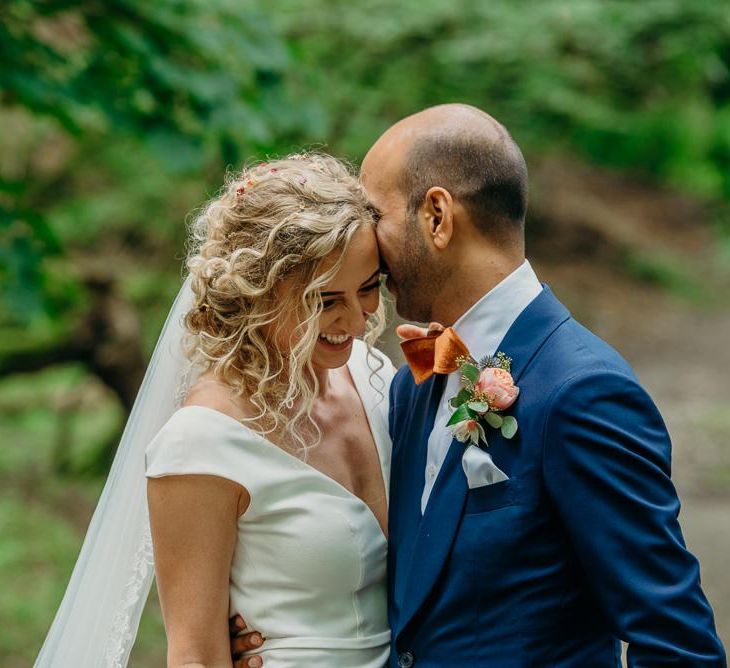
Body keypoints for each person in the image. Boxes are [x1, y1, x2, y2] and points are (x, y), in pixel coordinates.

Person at [234, 105, 726, 667]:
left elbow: (677, 644)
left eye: (374, 213)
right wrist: (284, 634)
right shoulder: (412, 382)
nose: (363, 239)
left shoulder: (583, 392)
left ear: (437, 217)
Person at [35, 153, 397, 667]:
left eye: (368, 289)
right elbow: (196, 656)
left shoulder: (372, 376)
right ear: (258, 295)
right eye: (324, 301)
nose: (357, 322)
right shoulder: (203, 441)